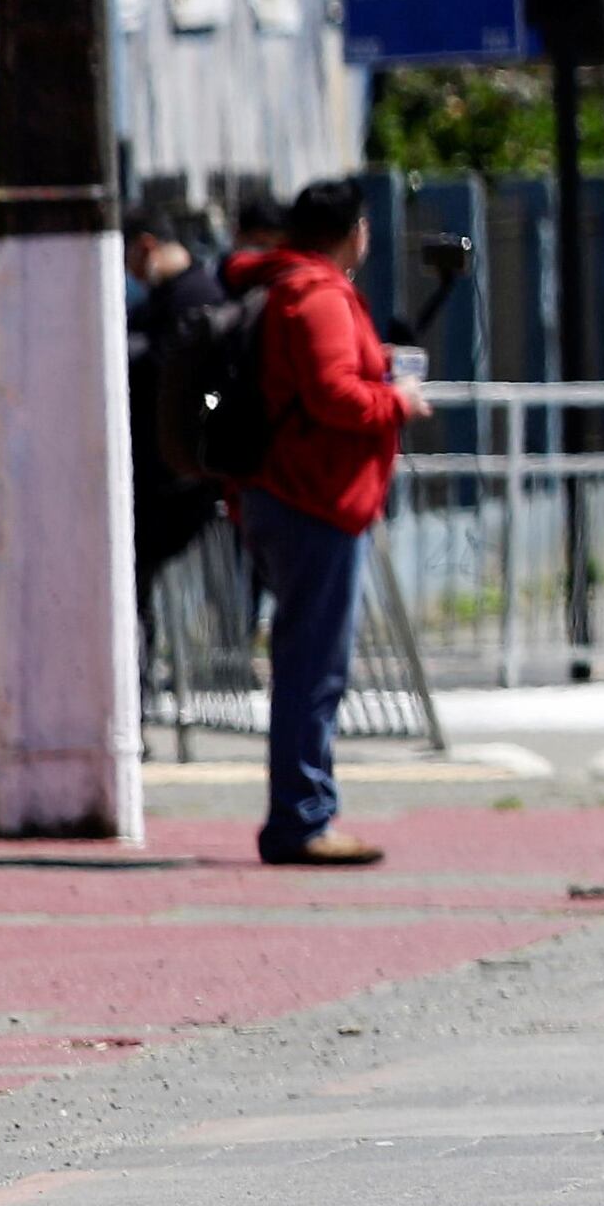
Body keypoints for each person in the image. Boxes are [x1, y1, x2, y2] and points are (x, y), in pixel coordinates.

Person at [222, 178, 424, 871]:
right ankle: (302, 818)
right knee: (313, 666)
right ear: (354, 233)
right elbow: (334, 394)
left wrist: (379, 371)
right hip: (315, 499)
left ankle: (303, 812)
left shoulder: (291, 287)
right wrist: (397, 401)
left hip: (294, 493)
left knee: (307, 662)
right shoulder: (318, 295)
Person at [125, 219, 233, 591]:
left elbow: (178, 375)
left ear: (146, 245)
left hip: (177, 474)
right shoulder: (167, 297)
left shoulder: (193, 297)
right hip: (165, 467)